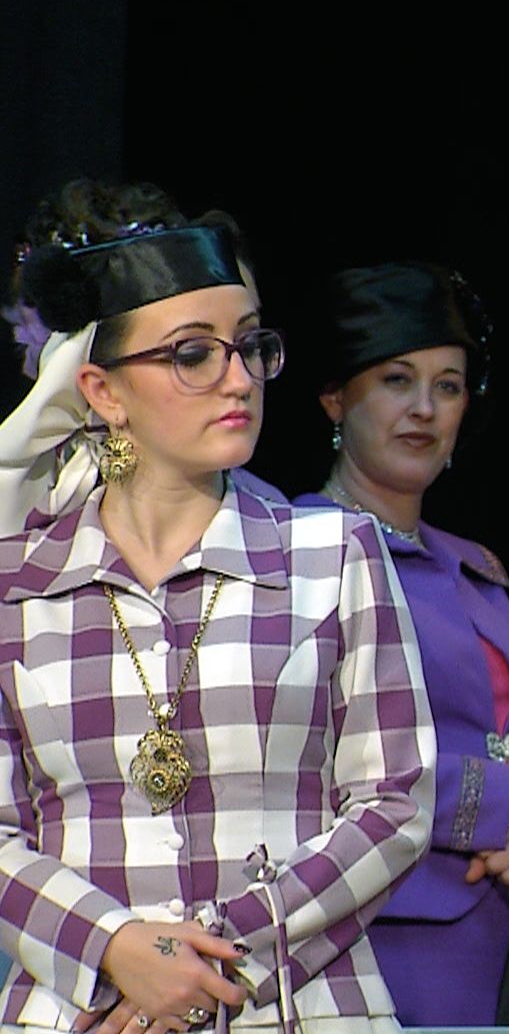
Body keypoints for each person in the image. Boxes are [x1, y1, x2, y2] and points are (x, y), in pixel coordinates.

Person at [0, 181, 434, 1032]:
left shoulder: (333, 554)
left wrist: (206, 959)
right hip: (82, 1011)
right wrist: (115, 949)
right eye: (194, 354)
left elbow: (395, 803)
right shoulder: (19, 583)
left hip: (293, 1008)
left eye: (250, 346)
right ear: (103, 391)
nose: (238, 379)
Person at [295, 262, 509, 1026]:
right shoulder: (298, 551)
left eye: (448, 386)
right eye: (397, 380)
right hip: (376, 931)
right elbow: (317, 753)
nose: (424, 409)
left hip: (501, 929)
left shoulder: (474, 567)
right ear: (336, 398)